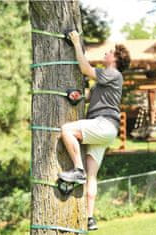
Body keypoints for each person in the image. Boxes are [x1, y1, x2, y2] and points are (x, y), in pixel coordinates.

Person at [58, 31, 131, 230]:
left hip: (103, 124)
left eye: (110, 52)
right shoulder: (108, 79)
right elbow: (93, 98)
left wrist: (75, 42)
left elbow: (85, 68)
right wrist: (78, 97)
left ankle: (77, 170)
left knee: (67, 130)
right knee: (93, 176)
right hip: (105, 131)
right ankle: (90, 218)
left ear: (115, 59)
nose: (106, 53)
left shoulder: (113, 73)